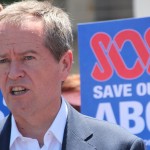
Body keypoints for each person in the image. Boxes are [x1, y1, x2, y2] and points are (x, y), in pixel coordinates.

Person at [0, 1, 145, 150]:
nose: (13, 73)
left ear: (64, 64)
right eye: (3, 60)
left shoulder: (119, 145)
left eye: (28, 58)